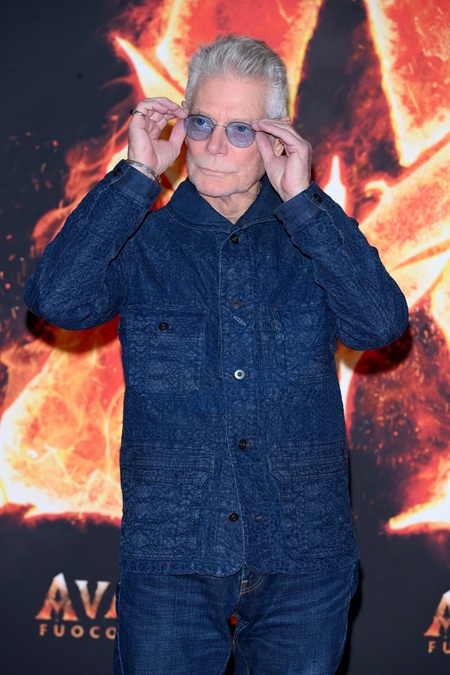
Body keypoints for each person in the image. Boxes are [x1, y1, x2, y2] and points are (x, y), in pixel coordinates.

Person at [24, 34, 408, 675]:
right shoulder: (142, 238)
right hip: (173, 551)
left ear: (275, 138)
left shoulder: (310, 235)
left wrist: (304, 202)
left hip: (303, 554)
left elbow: (378, 325)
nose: (213, 146)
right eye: (201, 122)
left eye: (240, 130)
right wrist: (137, 176)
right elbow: (57, 300)